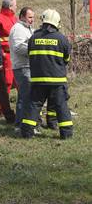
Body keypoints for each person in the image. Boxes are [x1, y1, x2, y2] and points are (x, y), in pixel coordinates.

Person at [21, 9, 73, 139]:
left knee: (34, 105)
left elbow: (30, 55)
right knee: (61, 106)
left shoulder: (34, 37)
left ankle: (27, 132)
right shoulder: (62, 39)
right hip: (57, 81)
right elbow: (66, 59)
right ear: (57, 23)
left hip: (38, 80)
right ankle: (66, 133)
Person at [9, 7, 35, 131]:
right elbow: (18, 47)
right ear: (22, 17)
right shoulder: (18, 29)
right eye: (30, 17)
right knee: (26, 96)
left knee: (24, 96)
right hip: (22, 67)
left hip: (28, 66)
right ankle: (20, 124)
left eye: (33, 17)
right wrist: (34, 51)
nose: (32, 20)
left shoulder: (28, 29)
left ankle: (20, 122)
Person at [0, 0, 18, 94]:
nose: (17, 7)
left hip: (16, 54)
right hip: (6, 55)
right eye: (15, 5)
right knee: (7, 81)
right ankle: (3, 107)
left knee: (18, 80)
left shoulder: (14, 18)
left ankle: (24, 105)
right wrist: (2, 54)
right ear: (10, 6)